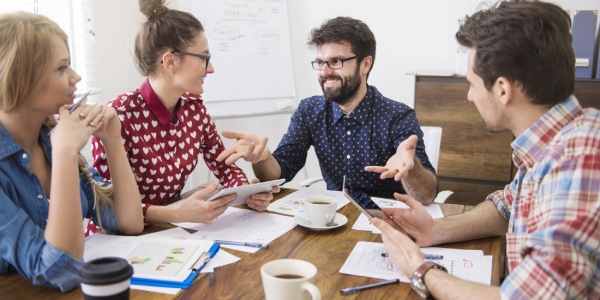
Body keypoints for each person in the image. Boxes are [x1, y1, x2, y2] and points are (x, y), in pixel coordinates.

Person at [371, 1, 600, 298]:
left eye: (473, 85)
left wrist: (419, 268)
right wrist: (435, 230)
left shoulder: (578, 158)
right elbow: (507, 208)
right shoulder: (553, 143)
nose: (469, 96)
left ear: (503, 90)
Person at [216, 16, 438, 208]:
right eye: (320, 62)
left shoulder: (397, 115)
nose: (324, 72)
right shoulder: (310, 110)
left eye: (336, 62)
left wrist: (412, 167)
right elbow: (281, 172)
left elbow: (427, 196)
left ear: (365, 64)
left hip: (386, 221)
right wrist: (262, 158)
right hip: (333, 218)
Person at [92, 0, 278, 225]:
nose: (211, 69)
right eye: (204, 58)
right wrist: (175, 213)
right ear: (171, 61)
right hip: (120, 237)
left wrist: (247, 191)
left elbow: (222, 165)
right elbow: (107, 206)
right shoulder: (117, 116)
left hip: (174, 229)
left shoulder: (195, 108)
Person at [0, 11, 144, 291]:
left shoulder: (47, 141)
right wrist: (65, 152)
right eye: (62, 68)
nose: (76, 77)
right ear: (20, 79)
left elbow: (128, 221)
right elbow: (60, 271)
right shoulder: (60, 145)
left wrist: (113, 141)